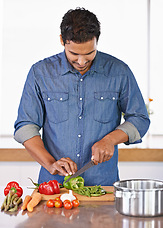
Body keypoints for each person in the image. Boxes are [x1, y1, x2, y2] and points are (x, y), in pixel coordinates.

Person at [14, 8, 150, 186]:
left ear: (96, 42)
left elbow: (140, 119)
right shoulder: (40, 73)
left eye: (89, 54)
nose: (81, 62)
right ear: (62, 40)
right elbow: (26, 126)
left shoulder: (119, 72)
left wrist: (110, 140)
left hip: (103, 187)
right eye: (74, 54)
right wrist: (50, 163)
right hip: (55, 187)